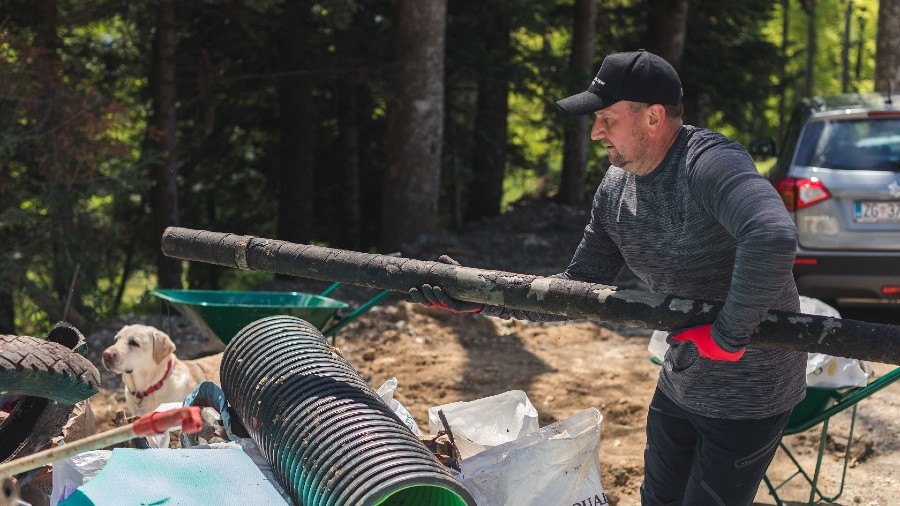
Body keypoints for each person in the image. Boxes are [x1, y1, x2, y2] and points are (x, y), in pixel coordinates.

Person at [409, 49, 807, 505]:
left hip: (751, 391)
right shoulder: (616, 187)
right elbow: (577, 286)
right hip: (682, 378)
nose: (596, 131)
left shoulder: (708, 163)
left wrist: (729, 336)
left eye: (607, 119)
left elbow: (772, 236)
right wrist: (482, 297)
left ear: (654, 118)